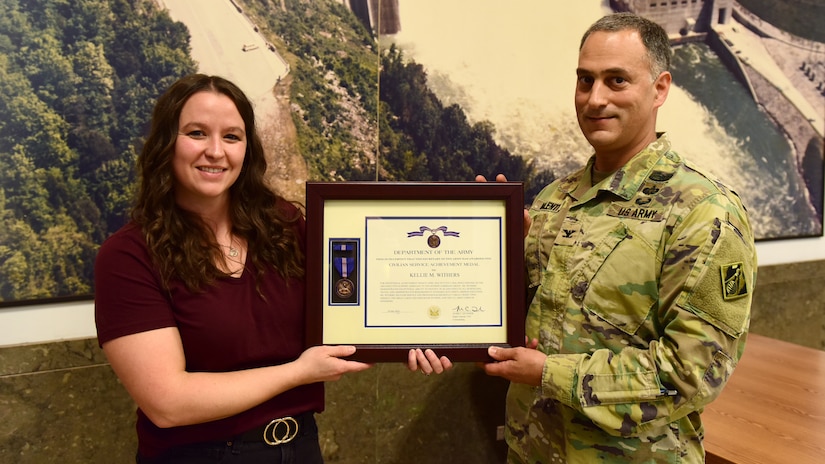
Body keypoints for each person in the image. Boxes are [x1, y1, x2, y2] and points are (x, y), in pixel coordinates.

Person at [470, 13, 756, 462]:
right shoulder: (553, 199)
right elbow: (528, 319)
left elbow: (693, 373)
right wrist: (491, 256)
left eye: (616, 80)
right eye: (585, 81)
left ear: (660, 88)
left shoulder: (703, 212)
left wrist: (550, 374)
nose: (595, 99)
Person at [94, 74, 380, 463]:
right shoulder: (129, 256)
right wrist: (297, 373)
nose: (215, 151)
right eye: (197, 133)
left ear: (247, 149)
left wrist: (423, 334)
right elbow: (168, 403)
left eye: (232, 137)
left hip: (301, 447)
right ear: (166, 144)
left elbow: (361, 299)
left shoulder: (284, 226)